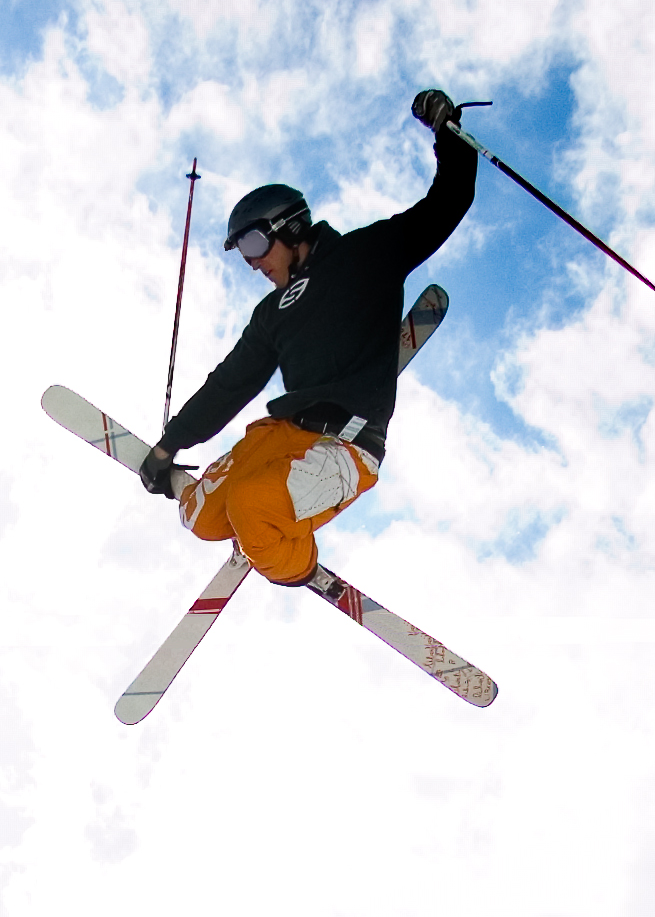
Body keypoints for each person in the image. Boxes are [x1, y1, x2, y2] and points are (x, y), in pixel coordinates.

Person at [137, 95, 477, 588]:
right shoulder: (271, 313)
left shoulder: (366, 254)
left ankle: (294, 559)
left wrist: (448, 131)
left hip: (343, 443)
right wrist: (168, 447)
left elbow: (446, 203)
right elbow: (229, 385)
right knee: (203, 519)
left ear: (290, 226)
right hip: (281, 433)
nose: (253, 263)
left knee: (250, 507)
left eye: (254, 245)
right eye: (243, 255)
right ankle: (201, 494)